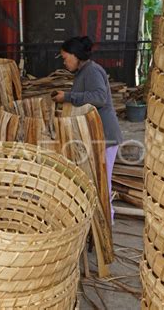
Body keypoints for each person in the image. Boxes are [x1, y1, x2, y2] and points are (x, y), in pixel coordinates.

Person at [53, 36, 123, 223]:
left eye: (66, 57)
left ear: (76, 55)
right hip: (96, 135)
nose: (64, 61)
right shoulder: (84, 71)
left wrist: (68, 96)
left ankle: (107, 223)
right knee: (96, 180)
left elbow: (99, 97)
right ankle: (98, 221)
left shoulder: (91, 71)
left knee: (102, 182)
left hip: (105, 135)